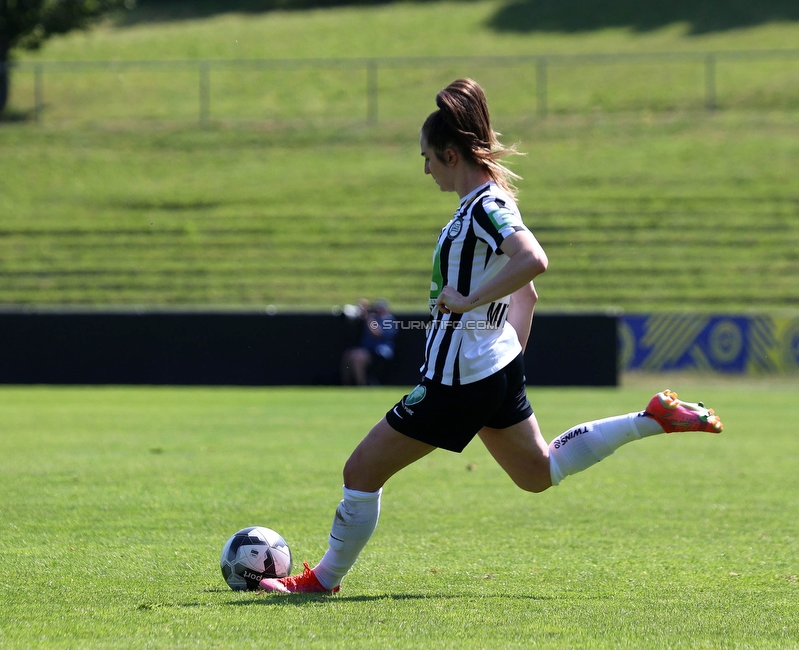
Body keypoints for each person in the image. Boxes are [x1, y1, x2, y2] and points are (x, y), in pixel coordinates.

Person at [260, 78, 723, 595]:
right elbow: (528, 296)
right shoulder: (481, 206)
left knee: (360, 471)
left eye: (428, 158)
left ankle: (321, 581)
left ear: (452, 154)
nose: (426, 169)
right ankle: (651, 418)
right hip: (489, 372)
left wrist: (470, 303)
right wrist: (505, 360)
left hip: (457, 381)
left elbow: (534, 261)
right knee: (539, 472)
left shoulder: (484, 206)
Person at [341, 299, 397, 386]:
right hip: (367, 350)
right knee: (348, 354)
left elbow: (377, 333)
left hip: (380, 351)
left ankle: (361, 384)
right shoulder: (374, 318)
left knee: (358, 357)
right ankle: (346, 384)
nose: (378, 311)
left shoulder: (388, 319)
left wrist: (369, 318)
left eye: (381, 309)